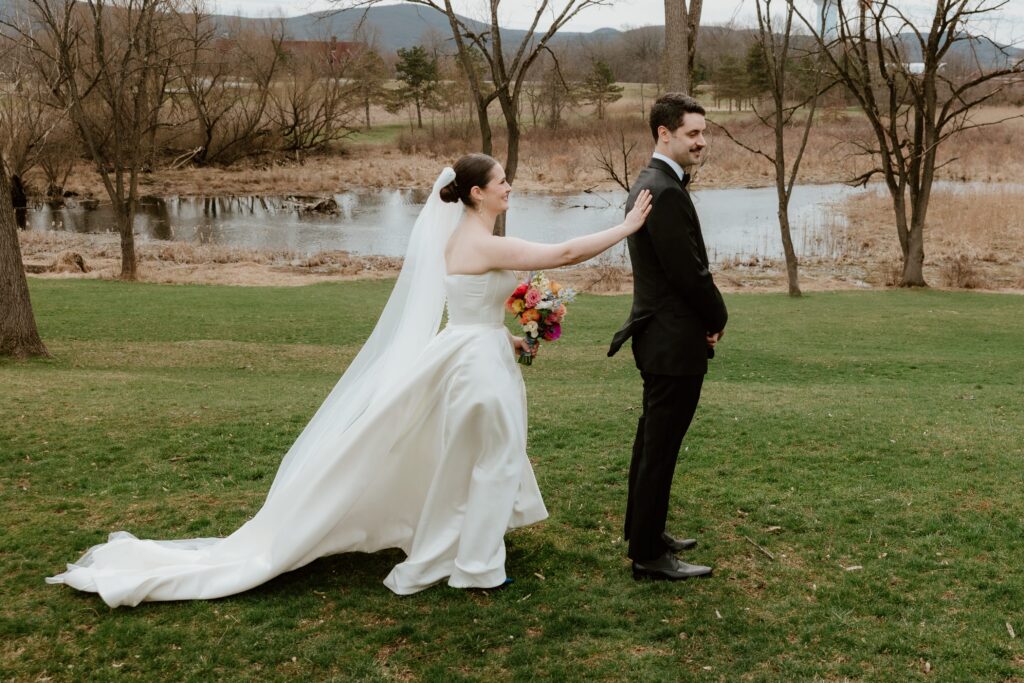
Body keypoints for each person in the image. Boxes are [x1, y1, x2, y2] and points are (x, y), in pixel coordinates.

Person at [46, 153, 652, 606]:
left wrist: (514, 334)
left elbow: (474, 307)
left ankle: (468, 549)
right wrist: (625, 230)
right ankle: (474, 564)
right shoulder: (478, 242)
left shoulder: (476, 239)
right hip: (475, 365)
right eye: (502, 183)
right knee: (492, 458)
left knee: (482, 455)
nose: (510, 187)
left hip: (478, 351)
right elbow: (566, 253)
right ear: (477, 194)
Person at [608, 93, 728, 582]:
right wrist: (717, 316)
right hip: (672, 341)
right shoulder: (664, 189)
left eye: (704, 132)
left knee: (653, 441)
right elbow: (689, 274)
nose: (702, 141)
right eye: (692, 133)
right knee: (659, 445)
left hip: (663, 337)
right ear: (664, 133)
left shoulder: (653, 183)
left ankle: (648, 534)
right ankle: (648, 556)